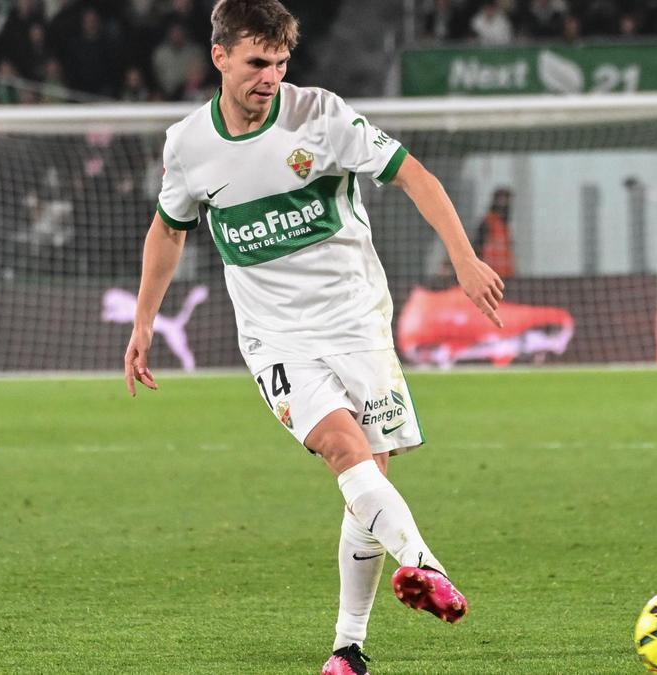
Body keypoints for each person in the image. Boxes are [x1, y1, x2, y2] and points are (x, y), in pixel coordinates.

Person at [121, 1, 504, 672]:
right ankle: (425, 563)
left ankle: (347, 649)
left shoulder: (321, 116)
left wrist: (464, 258)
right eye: (256, 62)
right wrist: (143, 320)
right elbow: (168, 230)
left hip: (357, 320)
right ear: (219, 57)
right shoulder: (187, 144)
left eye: (279, 62)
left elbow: (413, 173)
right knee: (341, 448)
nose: (270, 77)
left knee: (368, 480)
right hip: (276, 338)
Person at [473, 187, 515, 277]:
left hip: (505, 274)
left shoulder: (505, 226)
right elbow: (478, 247)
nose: (504, 204)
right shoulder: (487, 222)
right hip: (490, 273)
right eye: (501, 200)